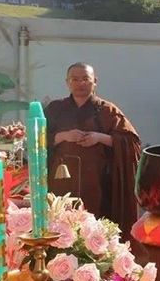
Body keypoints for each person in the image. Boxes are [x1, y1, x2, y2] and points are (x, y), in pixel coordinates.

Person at [46, 62, 142, 235]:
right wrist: (64, 136)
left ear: (95, 81)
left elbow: (131, 143)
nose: (80, 83)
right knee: (61, 223)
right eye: (75, 79)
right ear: (67, 82)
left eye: (85, 79)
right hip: (61, 178)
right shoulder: (55, 109)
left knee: (95, 228)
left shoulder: (107, 110)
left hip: (98, 181)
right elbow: (38, 139)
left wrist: (100, 138)